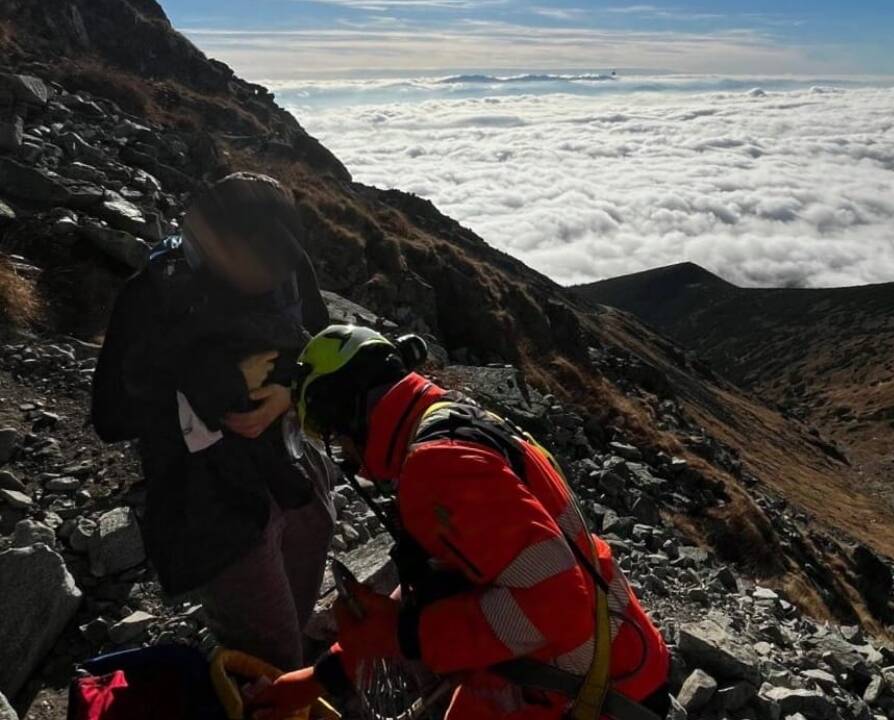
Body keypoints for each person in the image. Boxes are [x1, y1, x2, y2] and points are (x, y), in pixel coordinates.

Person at [251, 326, 671, 720]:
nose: (349, 460)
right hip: (609, 662)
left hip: (584, 695)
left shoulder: (438, 467)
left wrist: (406, 637)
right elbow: (465, 576)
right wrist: (324, 676)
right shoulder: (458, 420)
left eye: (334, 438)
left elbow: (556, 605)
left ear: (345, 413)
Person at [91, 172, 336, 671]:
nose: (269, 281)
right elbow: (111, 416)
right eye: (256, 269)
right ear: (214, 246)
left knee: (296, 598)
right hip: (211, 501)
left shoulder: (286, 265)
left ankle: (280, 664)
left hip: (290, 472)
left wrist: (288, 396)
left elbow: (319, 341)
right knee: (271, 657)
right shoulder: (155, 296)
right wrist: (220, 387)